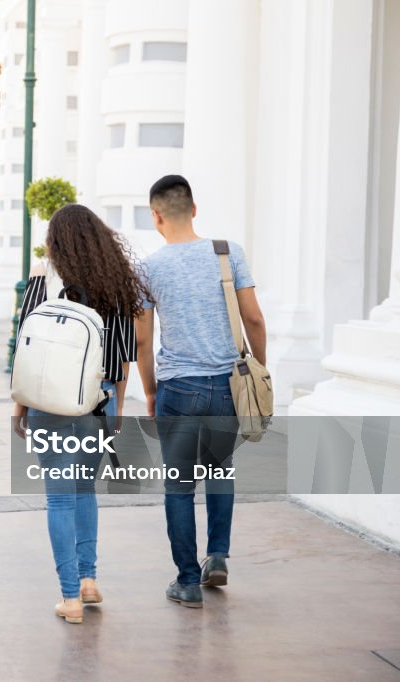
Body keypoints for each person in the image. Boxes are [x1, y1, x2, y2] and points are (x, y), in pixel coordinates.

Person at [135, 175, 267, 608]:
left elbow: (142, 339)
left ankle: (188, 581)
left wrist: (150, 391)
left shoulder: (149, 267)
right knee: (219, 470)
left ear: (157, 217)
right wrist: (258, 368)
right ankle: (218, 555)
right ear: (193, 209)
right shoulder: (228, 254)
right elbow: (254, 321)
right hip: (227, 385)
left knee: (178, 486)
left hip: (178, 385)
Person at [12, 204, 148, 624]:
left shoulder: (43, 278)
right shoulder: (116, 280)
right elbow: (124, 355)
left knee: (59, 497)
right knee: (85, 489)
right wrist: (119, 406)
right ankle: (88, 580)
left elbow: (25, 345)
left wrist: (19, 406)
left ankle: (70, 598)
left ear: (56, 241)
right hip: (99, 401)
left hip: (48, 403)